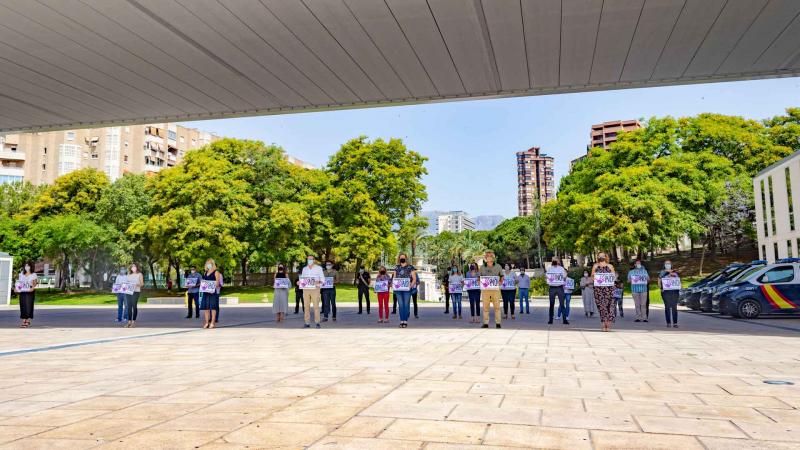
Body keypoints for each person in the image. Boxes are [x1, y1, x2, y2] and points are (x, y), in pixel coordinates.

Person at [592, 253, 616, 332]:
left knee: (610, 307)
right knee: (602, 307)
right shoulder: (595, 266)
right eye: (600, 255)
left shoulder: (610, 266)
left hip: (609, 289)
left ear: (606, 257)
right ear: (598, 257)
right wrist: (596, 278)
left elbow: (613, 277)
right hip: (599, 290)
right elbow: (592, 276)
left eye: (603, 255)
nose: (601, 257)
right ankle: (603, 324)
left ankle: (608, 325)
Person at [392, 253, 417, 328]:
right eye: (400, 258)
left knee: (406, 305)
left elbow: (414, 279)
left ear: (406, 258)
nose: (402, 259)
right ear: (399, 259)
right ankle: (401, 321)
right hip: (398, 290)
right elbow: (394, 278)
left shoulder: (410, 267)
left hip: (407, 290)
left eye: (403, 258)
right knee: (400, 305)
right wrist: (394, 286)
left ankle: (405, 321)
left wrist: (410, 286)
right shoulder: (396, 267)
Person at [480, 250, 503, 329]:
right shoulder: (482, 267)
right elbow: (479, 277)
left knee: (497, 306)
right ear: (485, 258)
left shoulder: (498, 266)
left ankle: (498, 323)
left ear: (493, 257)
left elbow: (502, 276)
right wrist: (479, 281)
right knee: (485, 307)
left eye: (490, 255)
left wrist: (500, 282)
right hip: (485, 290)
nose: (489, 257)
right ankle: (486, 323)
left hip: (495, 289)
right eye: (487, 256)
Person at [301, 255, 325, 328]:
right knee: (306, 306)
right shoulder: (304, 269)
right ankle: (307, 322)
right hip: (306, 289)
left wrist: (318, 283)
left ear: (314, 260)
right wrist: (300, 282)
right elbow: (303, 279)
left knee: (316, 306)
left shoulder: (318, 268)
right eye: (308, 259)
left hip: (315, 289)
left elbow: (323, 279)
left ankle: (317, 322)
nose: (309, 261)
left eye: (311, 259)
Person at [545, 258, 569, 325]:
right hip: (552, 288)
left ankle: (564, 320)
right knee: (551, 304)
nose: (555, 261)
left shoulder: (561, 268)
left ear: (558, 261)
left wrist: (563, 275)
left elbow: (565, 276)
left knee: (562, 304)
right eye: (554, 260)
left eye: (556, 260)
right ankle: (550, 319)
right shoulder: (549, 268)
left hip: (559, 287)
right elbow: (546, 276)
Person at [200, 259, 222, 329]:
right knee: (206, 308)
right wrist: (203, 285)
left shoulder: (216, 272)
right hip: (206, 292)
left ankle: (212, 322)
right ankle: (206, 322)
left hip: (212, 292)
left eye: (209, 263)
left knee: (213, 308)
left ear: (212, 264)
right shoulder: (205, 272)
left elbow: (218, 283)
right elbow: (204, 282)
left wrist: (211, 287)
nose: (208, 265)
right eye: (207, 263)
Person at [659, 260, 680, 328]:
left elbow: (678, 281)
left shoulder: (675, 272)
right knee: (667, 307)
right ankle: (668, 322)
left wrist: (674, 275)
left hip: (674, 292)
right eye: (666, 263)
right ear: (664, 265)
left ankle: (675, 323)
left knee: (674, 307)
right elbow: (659, 281)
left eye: (669, 263)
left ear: (671, 264)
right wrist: (661, 288)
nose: (668, 265)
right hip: (666, 292)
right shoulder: (662, 272)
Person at [17, 262, 38, 328]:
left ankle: (26, 320)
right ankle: (24, 320)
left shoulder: (33, 274)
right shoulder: (21, 274)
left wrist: (33, 287)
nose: (26, 267)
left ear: (31, 267)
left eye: (28, 266)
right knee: (23, 305)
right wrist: (17, 288)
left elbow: (35, 283)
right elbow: (20, 283)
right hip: (23, 291)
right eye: (25, 266)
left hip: (30, 291)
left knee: (28, 306)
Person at [125, 263, 144, 328]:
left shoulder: (139, 274)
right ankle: (129, 322)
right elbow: (126, 283)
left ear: (137, 267)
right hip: (128, 292)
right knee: (128, 307)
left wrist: (136, 284)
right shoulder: (129, 275)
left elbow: (142, 284)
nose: (133, 268)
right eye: (132, 267)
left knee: (134, 306)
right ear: (130, 268)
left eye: (134, 266)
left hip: (136, 292)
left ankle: (133, 322)